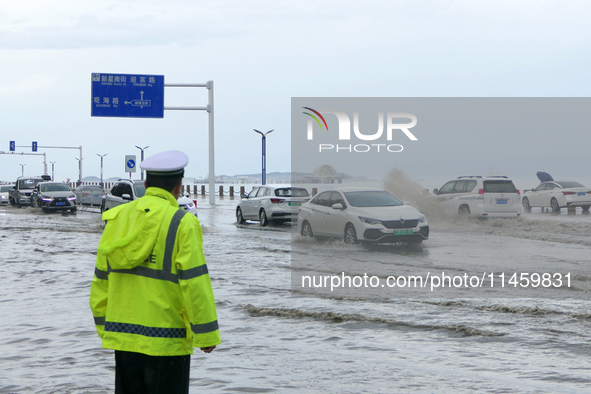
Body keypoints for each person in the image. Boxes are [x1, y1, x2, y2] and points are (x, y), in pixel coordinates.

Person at [90, 150, 221, 394]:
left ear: (147, 184)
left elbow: (101, 280)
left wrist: (105, 328)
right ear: (179, 186)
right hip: (167, 342)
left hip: (123, 340)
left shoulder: (116, 218)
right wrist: (206, 334)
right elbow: (194, 282)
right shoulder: (182, 222)